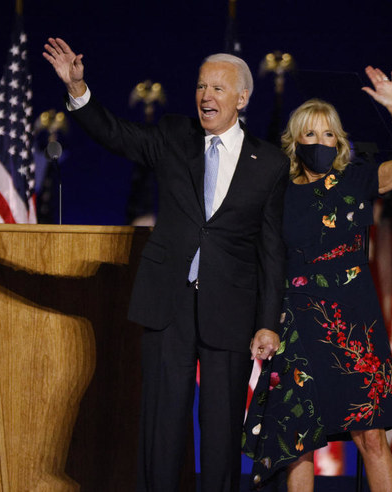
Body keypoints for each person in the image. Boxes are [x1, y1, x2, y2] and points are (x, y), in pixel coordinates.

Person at [43, 38, 289, 492]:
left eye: (217, 87)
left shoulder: (270, 163)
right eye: (200, 86)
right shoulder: (175, 135)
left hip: (231, 310)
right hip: (168, 303)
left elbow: (272, 250)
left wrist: (268, 323)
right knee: (162, 426)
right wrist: (78, 89)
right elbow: (116, 133)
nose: (206, 96)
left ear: (242, 98)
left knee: (219, 431)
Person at [243, 66, 392, 492]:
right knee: (298, 442)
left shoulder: (355, 180)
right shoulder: (279, 192)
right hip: (297, 324)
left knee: (371, 436)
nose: (320, 143)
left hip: (353, 323)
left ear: (339, 142)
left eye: (328, 135)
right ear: (295, 142)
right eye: (310, 134)